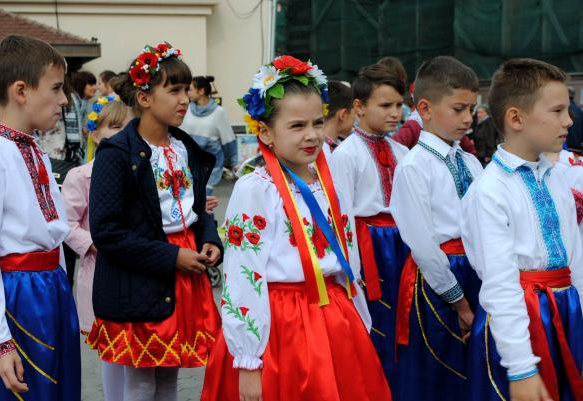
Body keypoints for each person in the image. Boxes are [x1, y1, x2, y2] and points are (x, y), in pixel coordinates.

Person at [201, 55, 390, 401]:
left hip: (334, 315)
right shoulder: (256, 188)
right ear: (266, 133)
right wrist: (248, 360)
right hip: (279, 324)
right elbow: (243, 274)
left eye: (317, 123)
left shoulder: (331, 180)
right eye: (297, 126)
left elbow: (348, 253)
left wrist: (357, 314)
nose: (312, 135)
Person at [85, 42, 222, 401]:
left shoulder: (185, 148)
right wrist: (172, 256)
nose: (184, 99)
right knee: (141, 382)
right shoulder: (117, 154)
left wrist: (209, 238)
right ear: (144, 98)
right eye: (174, 90)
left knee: (169, 377)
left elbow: (196, 210)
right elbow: (106, 230)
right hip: (142, 273)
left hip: (184, 271)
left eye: (186, 89)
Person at [462, 58, 583, 401]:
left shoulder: (554, 177)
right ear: (516, 118)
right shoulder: (489, 191)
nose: (569, 120)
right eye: (557, 111)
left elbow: (576, 260)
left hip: (566, 313)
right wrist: (521, 367)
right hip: (521, 324)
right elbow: (500, 284)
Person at [0, 34, 80, 401]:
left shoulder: (33, 148)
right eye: (56, 88)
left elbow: (54, 234)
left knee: (58, 391)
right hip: (17, 297)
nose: (64, 99)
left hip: (51, 290)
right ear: (21, 91)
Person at [390, 55, 482, 401]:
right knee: (440, 373)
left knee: (476, 367)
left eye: (471, 109)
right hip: (438, 280)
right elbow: (423, 245)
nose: (468, 118)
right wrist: (459, 303)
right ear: (425, 109)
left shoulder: (470, 161)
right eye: (458, 109)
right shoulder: (414, 167)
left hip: (477, 268)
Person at [329, 62, 410, 393]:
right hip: (367, 246)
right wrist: (351, 269)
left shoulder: (402, 151)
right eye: (385, 105)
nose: (395, 113)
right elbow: (342, 214)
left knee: (404, 320)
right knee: (376, 323)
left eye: (398, 105)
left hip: (402, 242)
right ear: (359, 107)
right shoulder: (345, 155)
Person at [62, 96, 132, 401]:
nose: (122, 134)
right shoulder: (80, 176)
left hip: (137, 272)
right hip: (101, 273)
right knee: (112, 352)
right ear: (94, 133)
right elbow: (66, 223)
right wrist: (95, 244)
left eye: (127, 127)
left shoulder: (139, 172)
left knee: (139, 348)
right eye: (114, 127)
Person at [181, 75, 238, 195]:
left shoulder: (219, 112)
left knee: (204, 202)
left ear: (201, 91)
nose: (187, 93)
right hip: (187, 166)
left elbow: (228, 140)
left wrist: (235, 164)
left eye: (190, 89)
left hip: (209, 169)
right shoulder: (186, 109)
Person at [322, 80, 354, 156]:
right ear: (343, 115)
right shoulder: (318, 151)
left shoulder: (343, 145)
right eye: (354, 115)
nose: (355, 123)